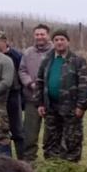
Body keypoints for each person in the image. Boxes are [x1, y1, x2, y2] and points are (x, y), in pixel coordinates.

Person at [35, 29, 87, 161]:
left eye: (62, 40)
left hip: (71, 107)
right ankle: (52, 166)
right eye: (56, 40)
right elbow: (40, 82)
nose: (59, 42)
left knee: (72, 139)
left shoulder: (78, 61)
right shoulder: (47, 60)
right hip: (51, 107)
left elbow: (85, 84)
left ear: (68, 42)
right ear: (53, 42)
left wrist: (82, 106)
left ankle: (70, 168)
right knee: (50, 139)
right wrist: (40, 103)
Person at [18, 24, 51, 161]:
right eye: (37, 34)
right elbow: (22, 70)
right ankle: (29, 161)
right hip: (32, 98)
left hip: (51, 100)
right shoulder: (28, 52)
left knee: (51, 134)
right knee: (29, 134)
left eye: (42, 34)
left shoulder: (55, 52)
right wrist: (30, 83)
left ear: (48, 35)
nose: (39, 37)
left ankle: (51, 162)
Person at [0, 32, 25, 157]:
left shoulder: (16, 56)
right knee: (1, 129)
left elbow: (22, 75)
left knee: (17, 130)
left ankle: (23, 158)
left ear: (5, 41)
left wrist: (22, 98)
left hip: (13, 95)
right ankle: (6, 158)